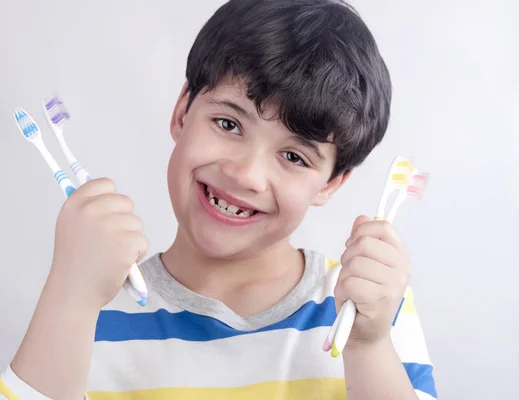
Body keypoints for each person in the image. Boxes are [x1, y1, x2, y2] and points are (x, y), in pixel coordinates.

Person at [0, 0, 437, 399]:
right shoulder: (87, 313)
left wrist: (370, 345)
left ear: (330, 183)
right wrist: (71, 296)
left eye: (293, 156)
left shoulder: (370, 308)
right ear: (182, 112)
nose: (245, 174)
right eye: (228, 124)